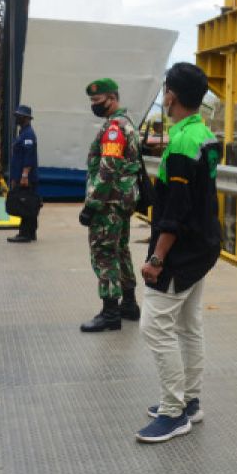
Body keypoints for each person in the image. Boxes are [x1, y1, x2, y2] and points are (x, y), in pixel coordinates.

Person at [136, 63, 221, 443]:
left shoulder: (184, 142)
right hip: (203, 245)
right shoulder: (200, 132)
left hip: (182, 251)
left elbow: (176, 212)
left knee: (154, 326)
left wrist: (156, 259)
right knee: (188, 325)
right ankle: (189, 401)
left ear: (171, 95)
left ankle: (173, 413)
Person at [78, 77, 142, 332]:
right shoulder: (127, 123)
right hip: (122, 201)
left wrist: (91, 205)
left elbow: (108, 168)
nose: (94, 105)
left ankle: (110, 313)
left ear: (112, 99)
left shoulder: (115, 128)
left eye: (97, 100)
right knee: (121, 250)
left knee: (104, 254)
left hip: (108, 202)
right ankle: (129, 304)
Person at [7, 105, 40, 243]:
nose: (16, 118)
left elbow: (28, 156)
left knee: (24, 203)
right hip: (21, 175)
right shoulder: (23, 132)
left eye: (19, 116)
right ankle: (31, 232)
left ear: (26, 118)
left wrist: (24, 175)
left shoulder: (28, 135)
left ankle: (25, 234)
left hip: (26, 177)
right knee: (28, 203)